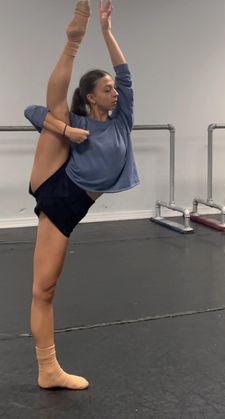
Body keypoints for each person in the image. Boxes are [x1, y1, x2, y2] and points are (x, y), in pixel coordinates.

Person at [25, 0, 139, 390]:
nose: (115, 92)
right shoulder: (78, 120)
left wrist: (108, 31)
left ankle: (48, 370)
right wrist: (65, 130)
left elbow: (125, 74)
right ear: (91, 97)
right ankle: (73, 39)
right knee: (43, 289)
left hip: (73, 206)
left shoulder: (123, 119)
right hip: (59, 191)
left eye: (114, 88)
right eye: (106, 89)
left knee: (47, 286)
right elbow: (31, 109)